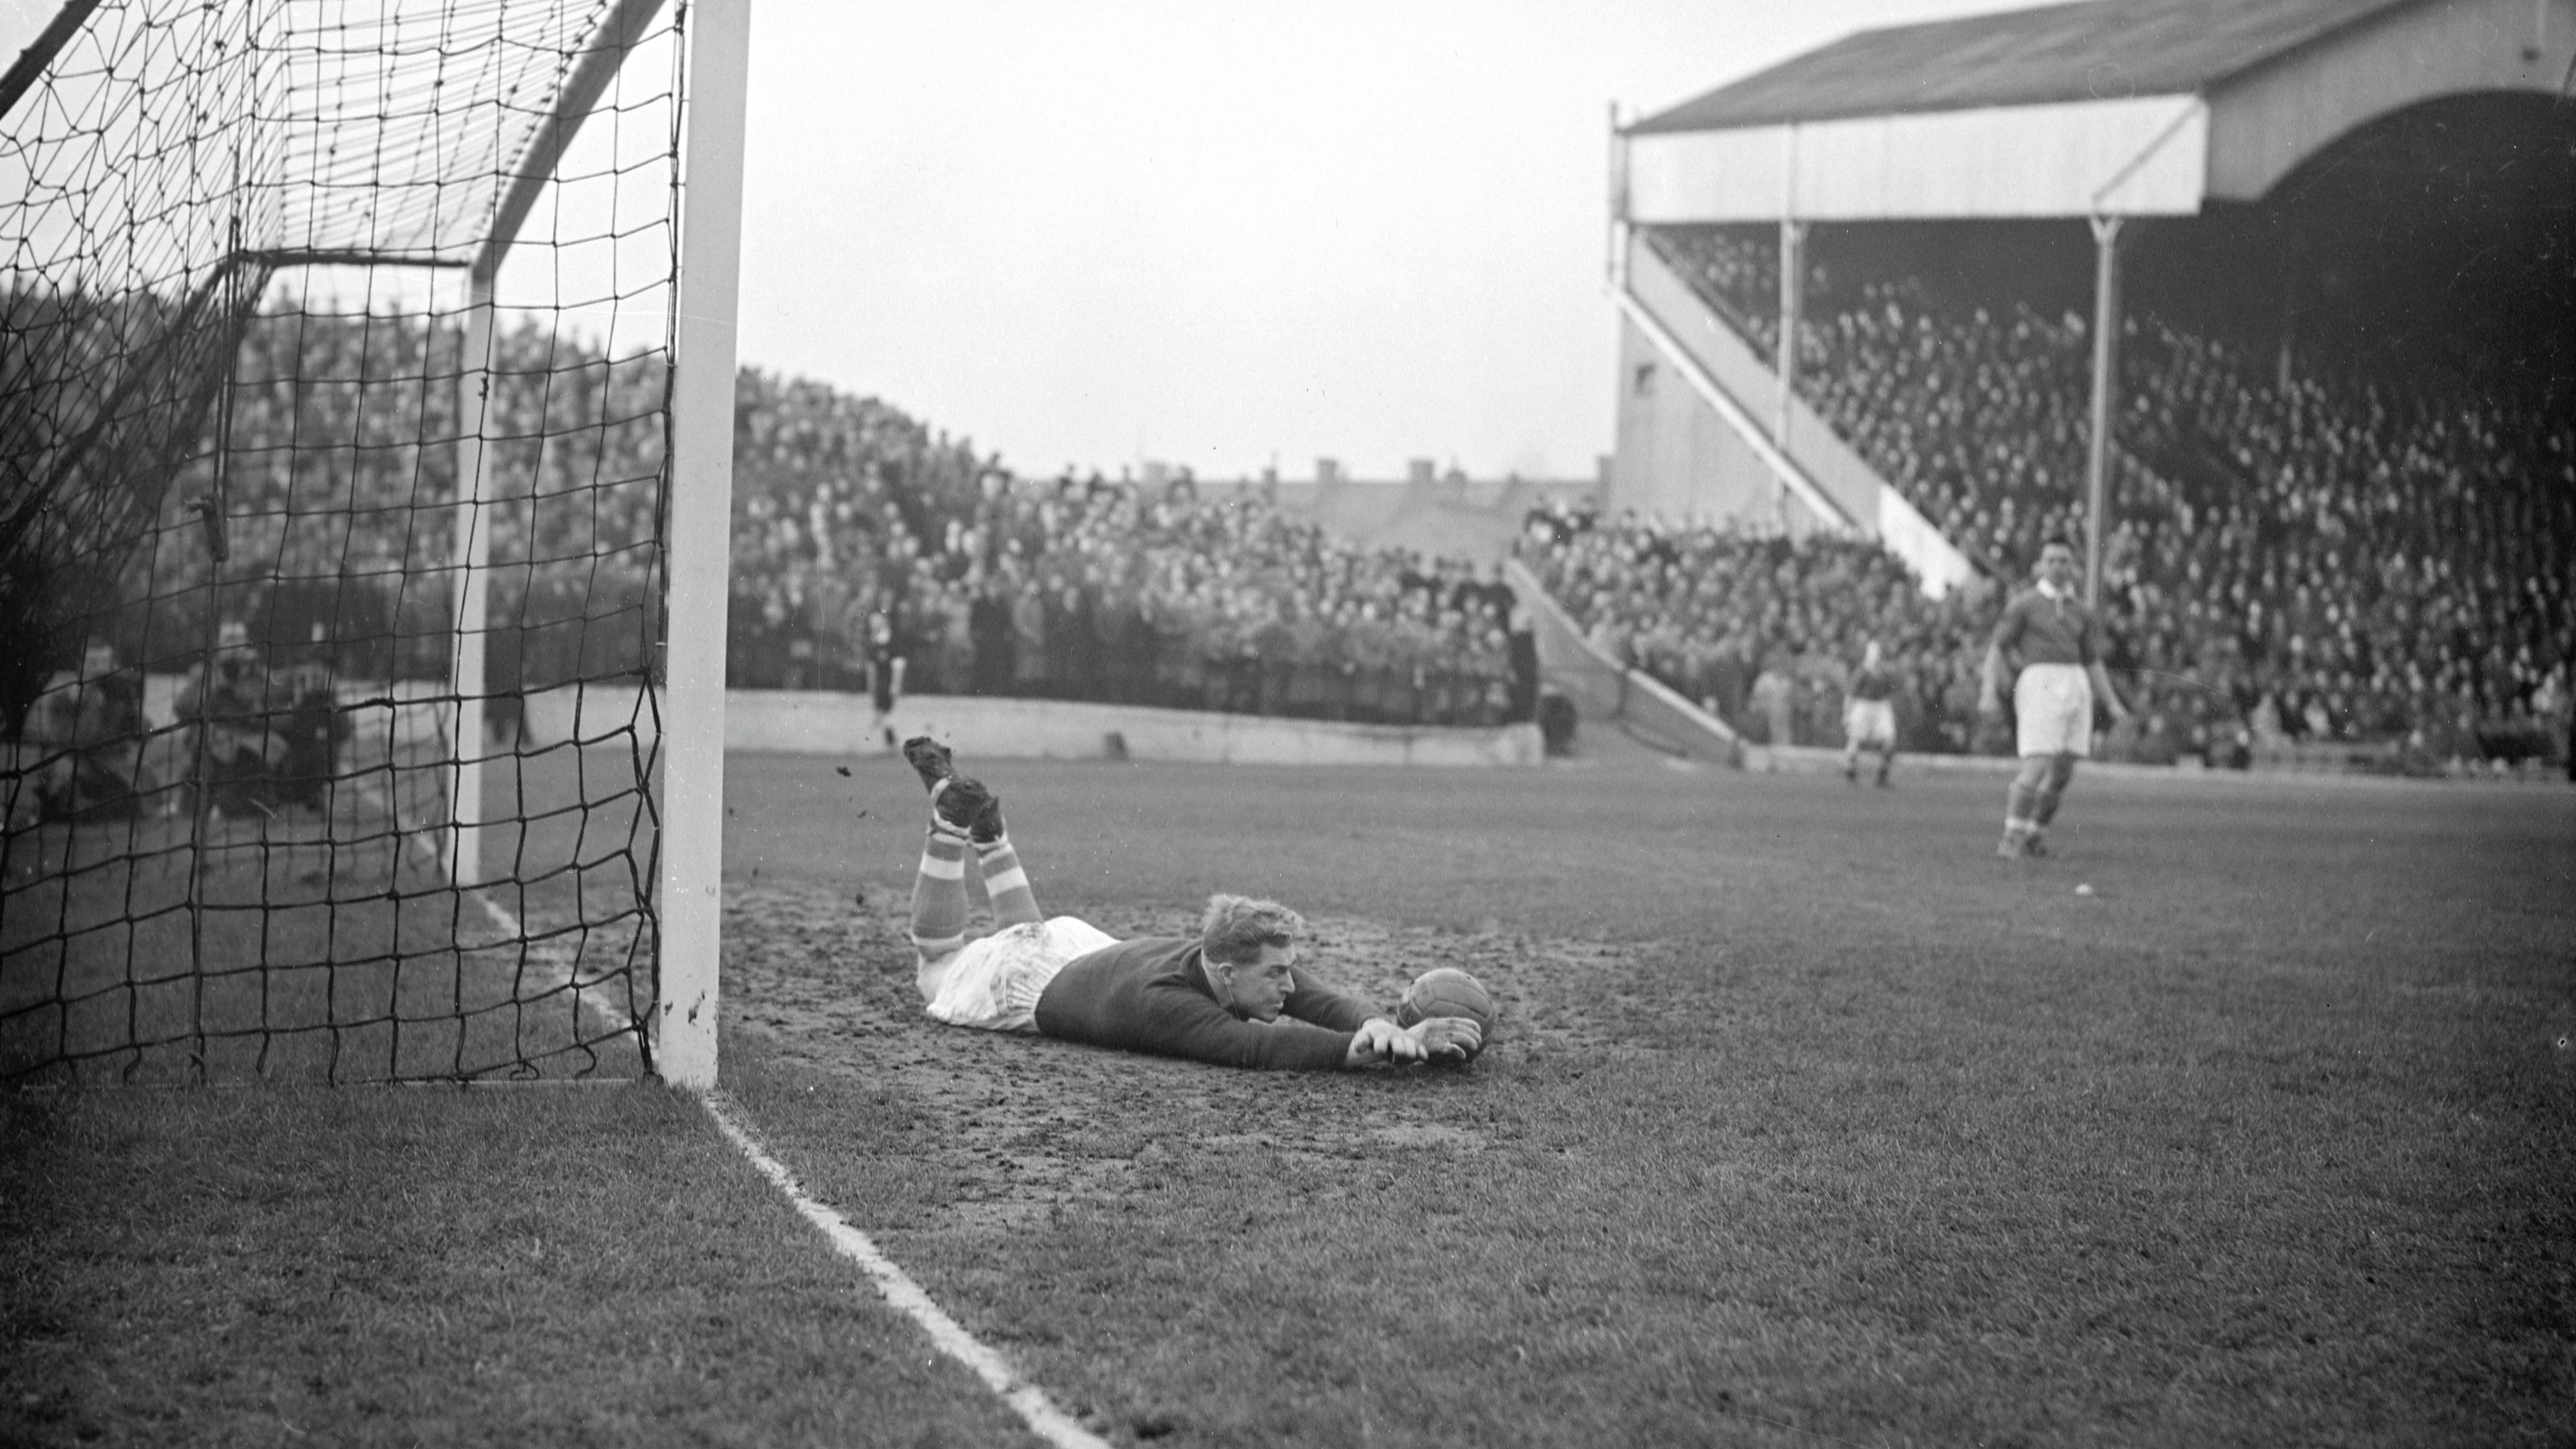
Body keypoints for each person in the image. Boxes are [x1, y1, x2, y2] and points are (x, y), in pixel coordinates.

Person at [892, 737, 1482, 1070]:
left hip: (1068, 955)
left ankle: (989, 835)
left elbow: (1319, 998)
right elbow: (1254, 1046)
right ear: (1227, 971)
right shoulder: (1163, 1005)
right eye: (1276, 975)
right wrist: (1358, 1051)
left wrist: (1375, 1022)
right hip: (1042, 969)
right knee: (939, 965)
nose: (1288, 986)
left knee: (1020, 935)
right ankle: (952, 828)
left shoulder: (1233, 957)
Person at [1979, 539, 2131, 858]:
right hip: (2040, 682)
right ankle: (2011, 837)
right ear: (2040, 566)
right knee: (2036, 765)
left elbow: (2092, 661)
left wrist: (2113, 703)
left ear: (2072, 566)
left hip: (2075, 682)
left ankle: (2034, 833)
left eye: (2065, 560)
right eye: (2052, 560)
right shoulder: (2025, 604)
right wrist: (1989, 691)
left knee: (2063, 771)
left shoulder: (2081, 611)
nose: (2059, 566)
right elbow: (1997, 647)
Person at [1841, 639, 1899, 787]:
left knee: (1889, 740)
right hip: (1864, 705)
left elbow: (1890, 692)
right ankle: (1850, 772)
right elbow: (1850, 694)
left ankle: (1882, 774)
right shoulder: (1862, 673)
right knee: (1855, 739)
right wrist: (1847, 714)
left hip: (1881, 706)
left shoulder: (1885, 673)